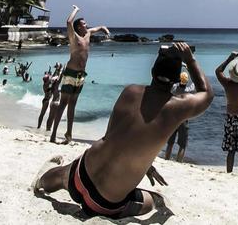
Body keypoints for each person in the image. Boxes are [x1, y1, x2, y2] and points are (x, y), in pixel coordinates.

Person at [31, 42, 212, 218]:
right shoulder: (177, 108)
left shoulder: (130, 92)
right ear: (175, 80)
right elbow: (206, 93)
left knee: (64, 175)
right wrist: (190, 59)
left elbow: (113, 137)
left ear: (152, 71)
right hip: (105, 203)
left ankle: (41, 181)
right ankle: (151, 203)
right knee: (154, 199)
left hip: (80, 175)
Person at [47, 4, 110, 143]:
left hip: (81, 75)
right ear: (78, 27)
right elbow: (69, 22)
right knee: (63, 103)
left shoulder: (87, 34)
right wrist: (76, 10)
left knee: (73, 105)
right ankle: (53, 134)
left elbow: (99, 27)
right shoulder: (73, 36)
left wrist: (104, 29)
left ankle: (69, 134)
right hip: (70, 73)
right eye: (84, 23)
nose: (86, 25)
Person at [162, 70, 194, 162]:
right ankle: (179, 161)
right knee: (182, 145)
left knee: (170, 143)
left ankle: (166, 159)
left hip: (173, 117)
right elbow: (195, 84)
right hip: (183, 118)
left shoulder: (174, 89)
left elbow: (171, 84)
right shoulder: (189, 90)